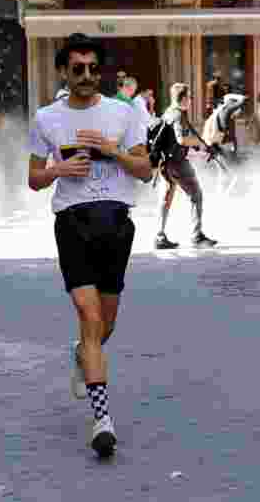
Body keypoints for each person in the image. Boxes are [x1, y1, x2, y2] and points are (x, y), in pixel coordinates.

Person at [27, 33, 151, 458]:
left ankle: (83, 354)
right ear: (64, 71)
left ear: (101, 72)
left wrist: (113, 150)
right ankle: (102, 419)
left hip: (117, 225)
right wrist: (59, 168)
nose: (85, 76)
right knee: (90, 313)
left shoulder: (124, 113)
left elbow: (146, 170)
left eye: (92, 69)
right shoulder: (47, 118)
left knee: (104, 326)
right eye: (77, 68)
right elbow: (33, 179)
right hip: (73, 225)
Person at [155, 83, 217, 250]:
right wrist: (200, 144)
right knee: (196, 195)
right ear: (182, 99)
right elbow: (181, 139)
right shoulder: (177, 115)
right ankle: (196, 235)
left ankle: (159, 236)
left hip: (165, 162)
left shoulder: (168, 112)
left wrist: (196, 145)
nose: (190, 100)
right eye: (189, 97)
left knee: (166, 198)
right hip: (177, 162)